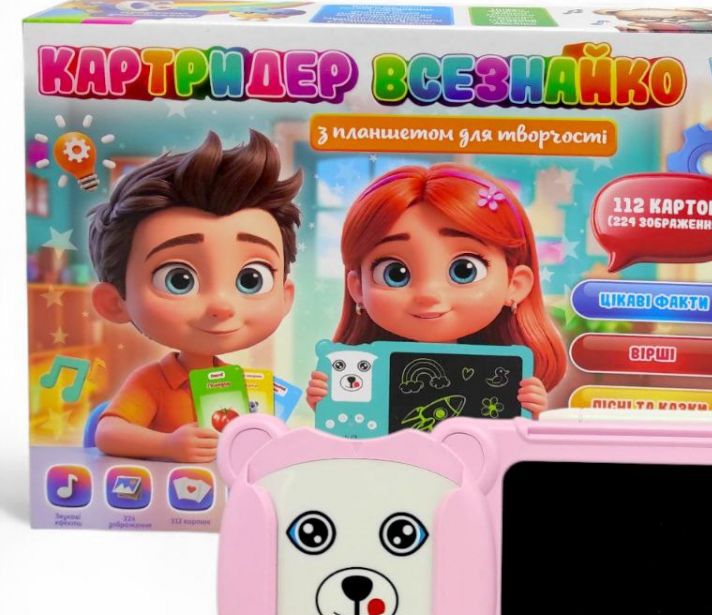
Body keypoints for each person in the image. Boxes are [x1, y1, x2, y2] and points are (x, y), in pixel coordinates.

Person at [87, 131, 301, 463]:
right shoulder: (153, 382)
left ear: (285, 296)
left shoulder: (238, 383)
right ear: (115, 302)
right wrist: (168, 445)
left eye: (250, 279)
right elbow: (108, 432)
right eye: (179, 280)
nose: (221, 305)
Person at [305, 165, 565, 418]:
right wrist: (328, 405)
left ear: (515, 284)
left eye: (464, 270)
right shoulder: (364, 367)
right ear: (357, 287)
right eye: (395, 273)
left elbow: (509, 434)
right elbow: (354, 425)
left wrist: (529, 408)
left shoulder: (502, 373)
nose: (428, 293)